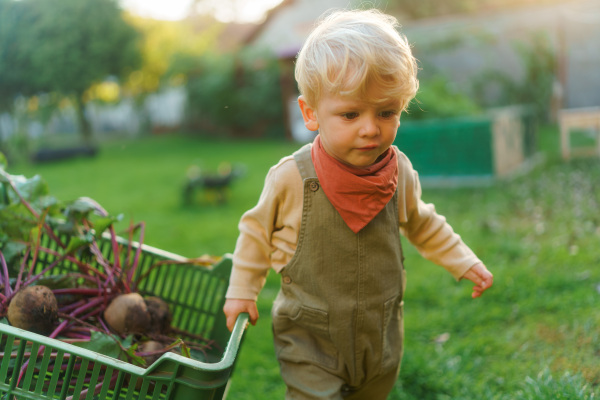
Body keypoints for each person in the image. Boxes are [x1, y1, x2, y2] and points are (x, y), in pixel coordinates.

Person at [223, 8, 493, 400]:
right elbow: (255, 233)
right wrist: (241, 291)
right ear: (311, 113)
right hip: (309, 337)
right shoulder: (291, 178)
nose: (370, 128)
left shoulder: (398, 170)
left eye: (386, 112)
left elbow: (422, 221)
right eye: (350, 114)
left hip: (379, 334)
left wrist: (462, 259)